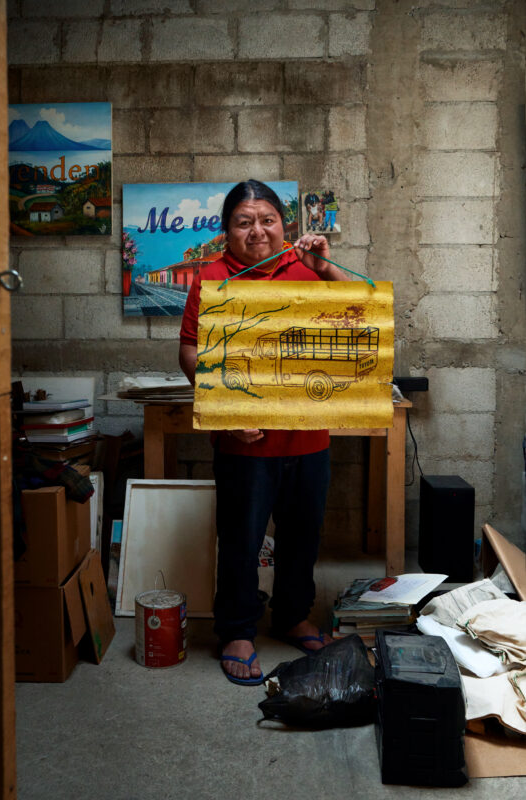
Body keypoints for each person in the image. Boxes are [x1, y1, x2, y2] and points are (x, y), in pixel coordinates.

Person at [179, 179, 350, 685]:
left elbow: (359, 319)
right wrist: (224, 406)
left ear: (285, 225)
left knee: (302, 535)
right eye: (244, 221)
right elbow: (190, 349)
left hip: (308, 436)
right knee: (241, 537)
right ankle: (236, 629)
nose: (257, 231)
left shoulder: (307, 270)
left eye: (267, 219)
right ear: (227, 231)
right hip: (243, 441)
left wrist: (327, 268)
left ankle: (293, 614)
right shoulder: (212, 278)